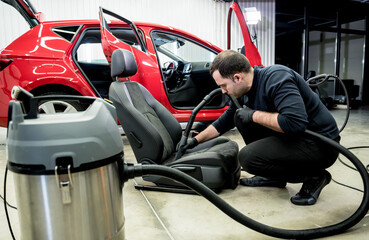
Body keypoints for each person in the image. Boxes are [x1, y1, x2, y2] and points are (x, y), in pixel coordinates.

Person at [184, 50, 340, 206]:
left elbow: (295, 123)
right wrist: (195, 141)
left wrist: (253, 115)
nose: (223, 91)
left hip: (320, 144)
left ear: (237, 77)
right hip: (295, 137)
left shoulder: (276, 78)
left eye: (224, 85)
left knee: (248, 158)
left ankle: (314, 176)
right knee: (239, 116)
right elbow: (224, 121)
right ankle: (274, 176)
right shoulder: (242, 90)